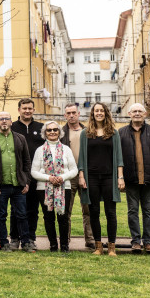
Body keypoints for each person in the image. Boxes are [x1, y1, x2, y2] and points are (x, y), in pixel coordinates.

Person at [0, 111, 34, 252]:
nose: (4, 121)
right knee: (1, 215)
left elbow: (27, 162)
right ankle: (4, 243)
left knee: (22, 214)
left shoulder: (20, 138)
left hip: (18, 185)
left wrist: (27, 181)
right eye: (1, 119)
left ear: (11, 122)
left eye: (6, 119)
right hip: (0, 186)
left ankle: (26, 242)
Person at [119, 103, 150, 254]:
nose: (137, 113)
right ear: (129, 114)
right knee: (132, 211)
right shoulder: (120, 133)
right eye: (134, 111)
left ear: (145, 114)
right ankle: (135, 242)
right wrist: (119, 178)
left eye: (140, 111)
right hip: (131, 180)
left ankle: (147, 242)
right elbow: (117, 158)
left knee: (148, 211)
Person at [77, 102, 124, 256]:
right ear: (92, 113)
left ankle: (111, 247)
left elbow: (119, 158)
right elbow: (82, 158)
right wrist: (81, 176)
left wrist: (120, 177)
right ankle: (98, 247)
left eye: (101, 110)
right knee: (94, 211)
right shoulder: (85, 133)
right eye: (96, 111)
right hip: (91, 178)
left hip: (109, 177)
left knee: (111, 212)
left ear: (106, 113)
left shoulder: (113, 133)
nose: (99, 113)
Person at [30, 122, 78, 252]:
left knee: (63, 217)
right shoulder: (39, 150)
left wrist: (62, 177)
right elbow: (34, 172)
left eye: (55, 130)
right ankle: (52, 245)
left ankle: (64, 246)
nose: (52, 132)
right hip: (44, 188)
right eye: (49, 130)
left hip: (64, 187)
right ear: (45, 133)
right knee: (48, 217)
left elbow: (74, 170)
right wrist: (49, 178)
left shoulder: (66, 149)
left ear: (59, 132)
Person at [10, 98, 45, 250]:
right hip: (17, 175)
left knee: (33, 209)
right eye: (24, 108)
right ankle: (15, 238)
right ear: (19, 110)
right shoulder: (12, 127)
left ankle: (30, 238)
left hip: (36, 175)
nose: (27, 111)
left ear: (33, 110)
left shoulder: (41, 128)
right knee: (16, 209)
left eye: (30, 108)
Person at [60, 103, 93, 249]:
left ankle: (90, 239)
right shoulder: (61, 133)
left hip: (86, 175)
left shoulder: (88, 131)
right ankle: (65, 239)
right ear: (65, 115)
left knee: (88, 209)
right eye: (68, 113)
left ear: (79, 114)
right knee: (66, 209)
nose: (71, 115)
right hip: (68, 176)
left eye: (74, 112)